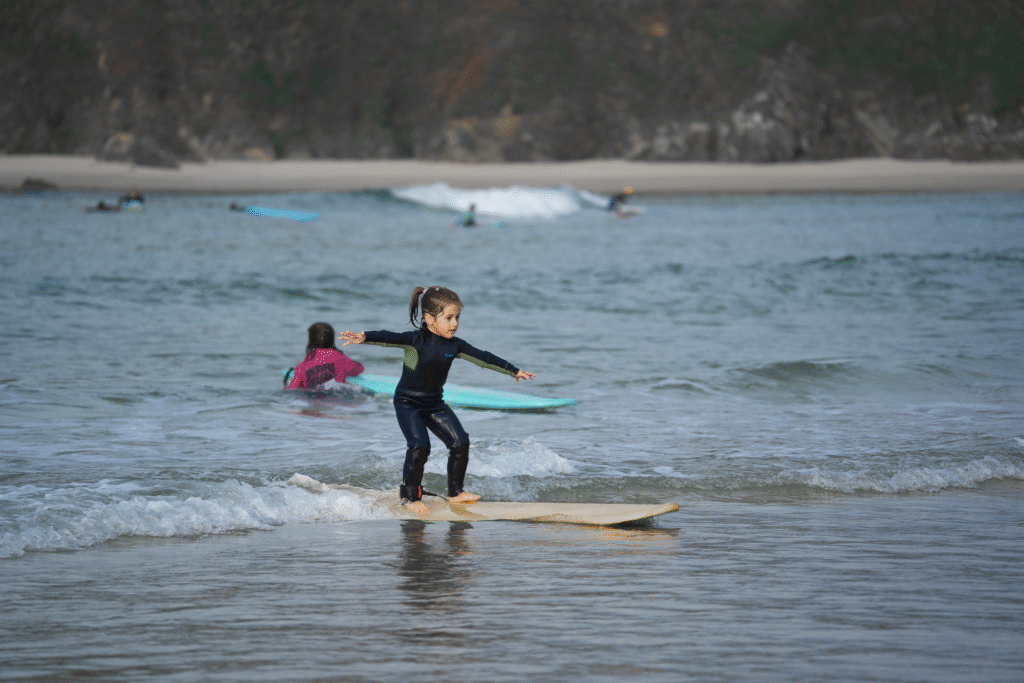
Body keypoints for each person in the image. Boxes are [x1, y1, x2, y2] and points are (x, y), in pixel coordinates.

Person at [339, 286, 535, 514]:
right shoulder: (415, 341)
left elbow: (484, 358)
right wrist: (364, 337)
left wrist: (513, 371)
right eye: (449, 318)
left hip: (434, 404)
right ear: (429, 318)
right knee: (420, 446)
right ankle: (411, 498)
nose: (454, 324)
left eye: (457, 318)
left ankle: (456, 492)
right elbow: (388, 338)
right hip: (407, 403)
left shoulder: (455, 345)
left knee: (460, 442)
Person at [285, 322, 364, 390]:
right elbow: (359, 369)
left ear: (310, 341)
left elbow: (292, 388)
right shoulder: (340, 357)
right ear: (332, 340)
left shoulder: (304, 364)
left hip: (310, 400)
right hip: (336, 400)